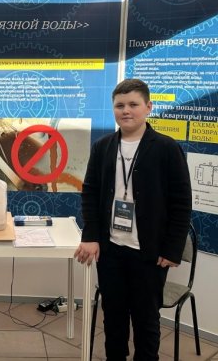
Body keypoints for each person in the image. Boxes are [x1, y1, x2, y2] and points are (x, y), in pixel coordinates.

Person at [74, 78, 192, 361]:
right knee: (113, 318)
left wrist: (172, 249)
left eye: (133, 104)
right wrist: (90, 236)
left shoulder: (166, 148)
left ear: (148, 107)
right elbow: (90, 192)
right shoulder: (103, 146)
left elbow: (181, 203)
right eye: (119, 105)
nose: (126, 110)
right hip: (111, 250)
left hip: (149, 254)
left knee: (146, 320)